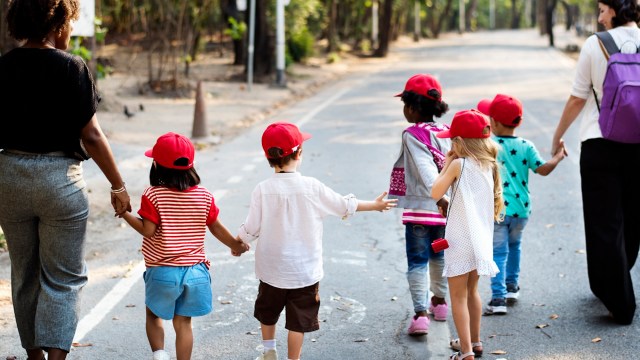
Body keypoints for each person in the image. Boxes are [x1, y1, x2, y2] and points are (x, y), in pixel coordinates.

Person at [0, 1, 131, 359]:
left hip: (9, 176)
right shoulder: (72, 67)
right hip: (60, 181)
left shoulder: (4, 66)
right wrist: (118, 186)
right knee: (63, 278)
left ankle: (34, 356)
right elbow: (91, 135)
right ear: (59, 23)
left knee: (24, 275)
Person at [237, 122, 397, 360]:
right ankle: (293, 358)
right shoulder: (312, 187)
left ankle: (269, 350)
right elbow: (344, 205)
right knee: (298, 321)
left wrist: (238, 243)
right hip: (304, 272)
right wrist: (374, 205)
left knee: (267, 312)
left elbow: (251, 227)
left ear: (267, 156)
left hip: (271, 270)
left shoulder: (262, 189)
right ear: (299, 153)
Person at [120, 132, 249, 360]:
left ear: (156, 165)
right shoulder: (204, 196)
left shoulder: (153, 195)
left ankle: (160, 356)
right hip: (196, 273)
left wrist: (125, 213)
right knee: (184, 324)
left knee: (153, 315)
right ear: (191, 165)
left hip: (162, 271)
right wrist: (236, 245)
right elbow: (216, 227)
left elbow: (147, 230)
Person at [551, 0, 640, 325]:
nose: (599, 17)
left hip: (600, 141)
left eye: (602, 10)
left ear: (615, 10)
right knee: (632, 216)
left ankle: (619, 298)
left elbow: (577, 97)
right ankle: (619, 275)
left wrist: (557, 134)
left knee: (605, 222)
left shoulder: (595, 44)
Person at [477, 94, 566, 315]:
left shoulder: (489, 144)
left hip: (497, 210)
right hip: (521, 209)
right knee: (515, 246)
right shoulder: (526, 145)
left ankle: (498, 299)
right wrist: (559, 156)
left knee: (497, 251)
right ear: (519, 121)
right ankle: (511, 287)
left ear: (494, 122)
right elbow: (543, 169)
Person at [432, 110, 503, 360]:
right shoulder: (489, 165)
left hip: (460, 240)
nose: (450, 144)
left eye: (452, 140)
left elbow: (434, 192)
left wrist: (445, 165)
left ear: (459, 142)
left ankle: (466, 351)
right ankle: (475, 341)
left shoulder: (458, 165)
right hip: (481, 240)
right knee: (473, 292)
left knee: (458, 297)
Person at [388, 74, 451, 336]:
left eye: (404, 104)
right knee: (439, 257)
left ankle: (420, 314)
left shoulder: (411, 134)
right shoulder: (446, 131)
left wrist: (437, 195)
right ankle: (440, 303)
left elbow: (426, 169)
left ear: (413, 108)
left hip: (420, 213)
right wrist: (446, 198)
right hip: (444, 213)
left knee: (416, 262)